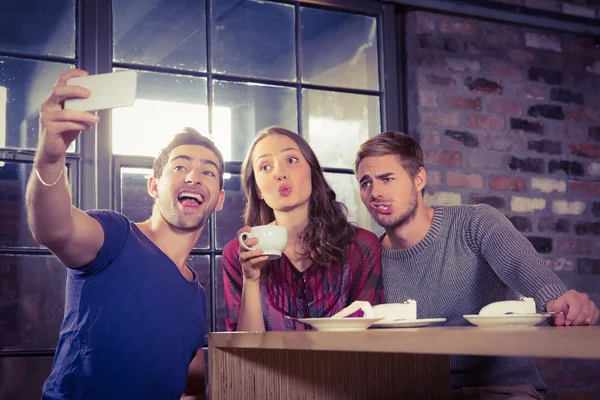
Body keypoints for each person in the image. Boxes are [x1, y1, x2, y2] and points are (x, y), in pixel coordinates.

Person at [354, 131, 599, 399]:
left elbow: (521, 266)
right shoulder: (370, 259)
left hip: (502, 391)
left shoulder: (475, 223)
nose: (375, 192)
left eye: (387, 179)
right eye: (365, 183)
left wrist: (557, 301)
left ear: (419, 178)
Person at [26, 69, 225, 400]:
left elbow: (190, 384)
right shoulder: (116, 236)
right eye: (179, 166)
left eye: (208, 171)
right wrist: (50, 158)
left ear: (218, 199)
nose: (193, 176)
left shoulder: (196, 296)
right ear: (153, 185)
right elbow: (54, 228)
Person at [221, 126, 383, 331]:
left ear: (313, 173)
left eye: (291, 160)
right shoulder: (239, 254)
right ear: (259, 190)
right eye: (265, 167)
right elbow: (244, 354)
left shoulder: (361, 247)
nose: (279, 173)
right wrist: (251, 280)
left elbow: (371, 338)